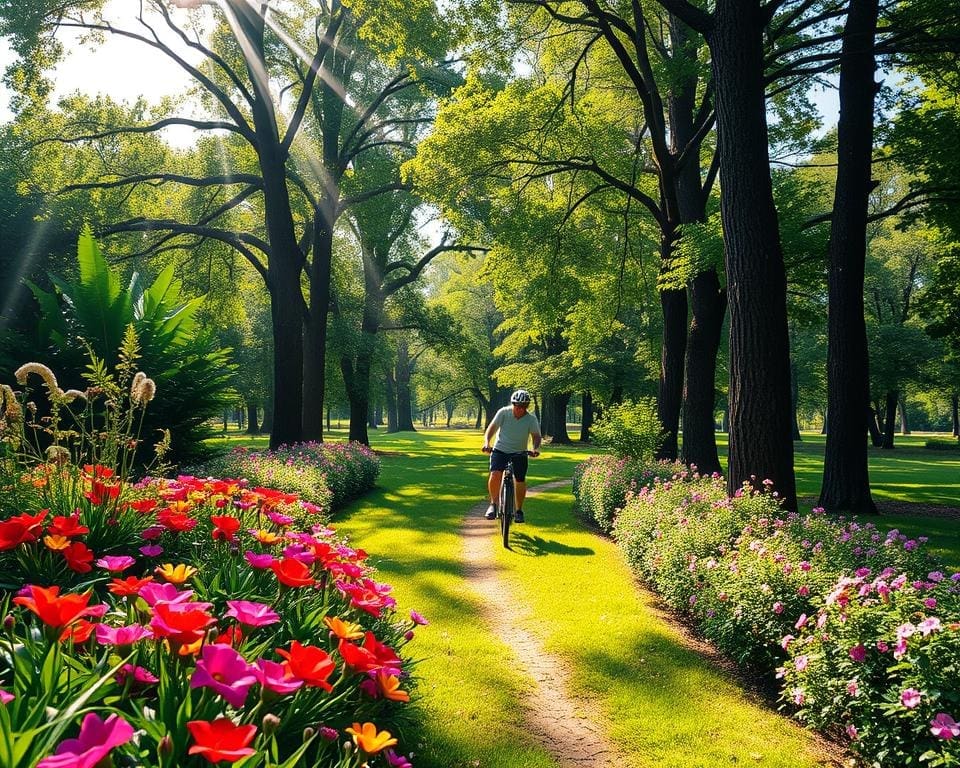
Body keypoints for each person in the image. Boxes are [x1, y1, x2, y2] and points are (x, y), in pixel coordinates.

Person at [482, 389, 542, 523]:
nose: (520, 409)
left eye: (523, 406)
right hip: (500, 450)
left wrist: (535, 448)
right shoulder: (504, 412)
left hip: (519, 452)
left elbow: (536, 436)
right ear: (513, 404)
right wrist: (487, 443)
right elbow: (491, 429)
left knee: (520, 480)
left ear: (527, 407)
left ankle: (519, 510)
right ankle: (493, 504)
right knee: (495, 474)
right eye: (517, 405)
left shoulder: (531, 419)